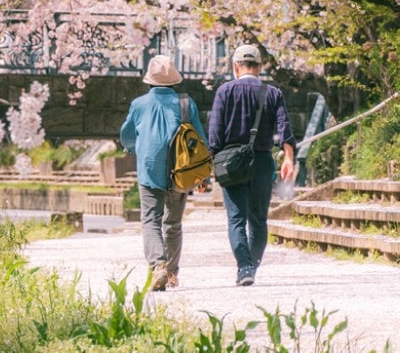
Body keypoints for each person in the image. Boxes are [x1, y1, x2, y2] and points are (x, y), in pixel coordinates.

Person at [208, 44, 296, 287]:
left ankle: (244, 266)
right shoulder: (272, 93)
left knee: (236, 219)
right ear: (260, 67)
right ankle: (252, 266)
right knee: (258, 219)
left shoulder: (224, 92)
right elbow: (284, 128)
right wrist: (288, 158)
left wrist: (208, 168)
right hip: (262, 162)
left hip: (232, 163)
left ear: (235, 66)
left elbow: (214, 137)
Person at [120, 55, 206, 291]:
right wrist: (202, 177)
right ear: (173, 80)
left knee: (150, 220)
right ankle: (171, 273)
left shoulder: (139, 105)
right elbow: (199, 141)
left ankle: (158, 265)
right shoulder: (186, 104)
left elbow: (127, 135)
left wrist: (129, 148)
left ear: (150, 80)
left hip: (149, 170)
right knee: (173, 224)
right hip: (180, 171)